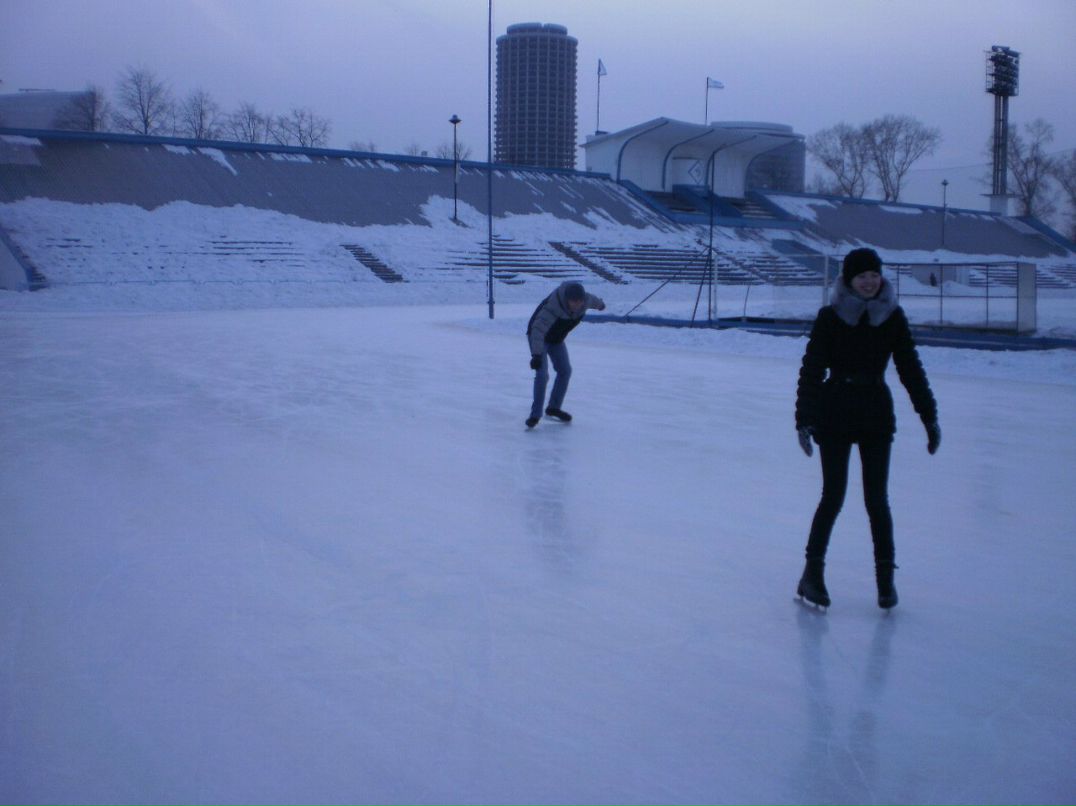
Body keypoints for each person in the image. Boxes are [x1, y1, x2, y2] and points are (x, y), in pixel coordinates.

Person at [794, 248, 940, 610]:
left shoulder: (892, 316)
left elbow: (910, 368)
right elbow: (812, 369)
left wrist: (928, 415)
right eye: (862, 276)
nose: (870, 282)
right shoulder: (830, 317)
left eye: (874, 275)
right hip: (836, 412)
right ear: (849, 280)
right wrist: (804, 418)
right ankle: (812, 574)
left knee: (877, 499)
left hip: (875, 413)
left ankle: (885, 580)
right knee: (834, 495)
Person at [526, 281, 606, 429]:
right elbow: (537, 330)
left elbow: (594, 301)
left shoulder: (586, 301)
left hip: (556, 339)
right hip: (539, 338)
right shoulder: (552, 307)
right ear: (567, 299)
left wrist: (601, 305)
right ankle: (535, 415)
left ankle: (553, 408)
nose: (577, 305)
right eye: (573, 301)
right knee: (542, 375)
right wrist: (536, 355)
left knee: (565, 371)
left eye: (579, 301)